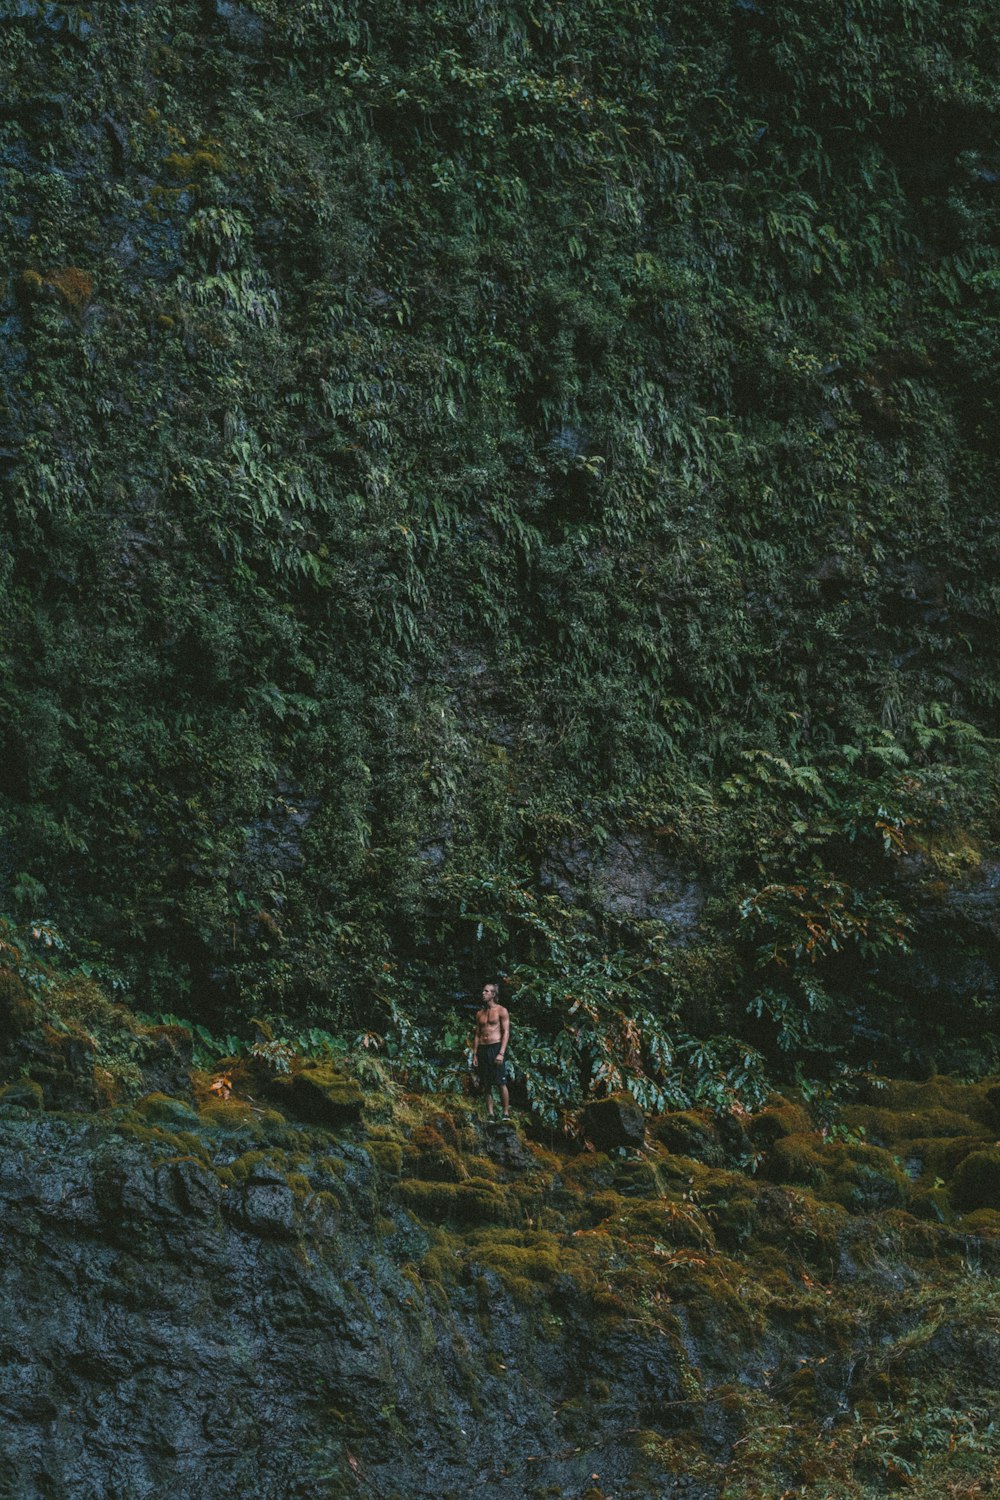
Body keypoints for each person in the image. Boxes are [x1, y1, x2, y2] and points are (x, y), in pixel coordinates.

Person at [471, 980, 510, 1121]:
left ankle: (505, 1114)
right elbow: (477, 1034)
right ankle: (491, 1115)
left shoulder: (501, 1010)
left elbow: (506, 1032)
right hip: (482, 1049)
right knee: (486, 1083)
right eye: (483, 991)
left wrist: (501, 1053)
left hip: (496, 1047)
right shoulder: (479, 1013)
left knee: (501, 1082)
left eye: (486, 991)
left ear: (493, 994)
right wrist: (475, 1054)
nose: (483, 993)